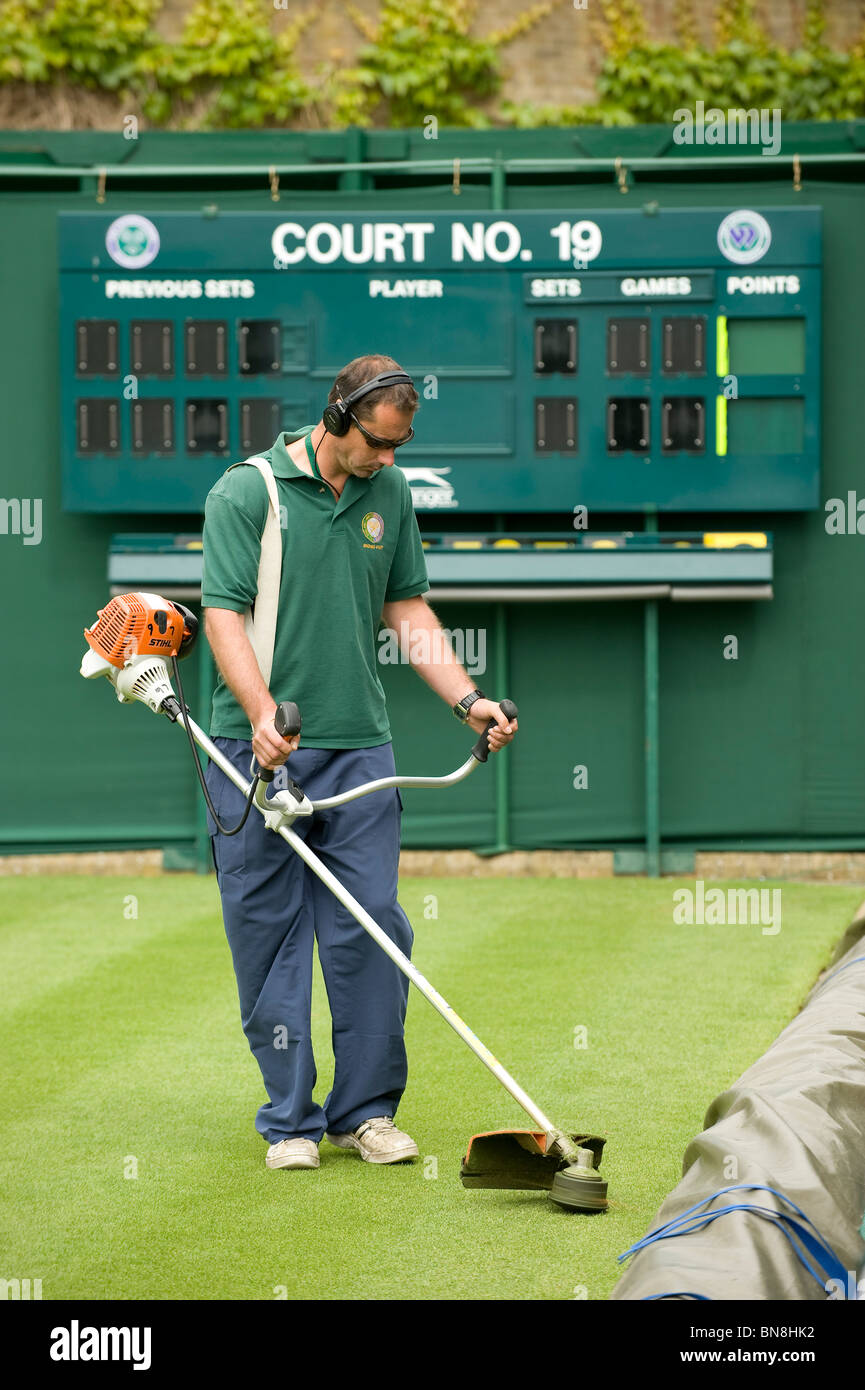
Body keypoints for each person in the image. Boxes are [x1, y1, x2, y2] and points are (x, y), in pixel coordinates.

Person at [200, 353, 517, 1172]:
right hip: (255, 749)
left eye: (399, 445)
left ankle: (365, 1114)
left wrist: (466, 699)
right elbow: (223, 617)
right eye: (378, 443)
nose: (388, 458)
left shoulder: (390, 493)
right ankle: (290, 1121)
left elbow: (406, 606)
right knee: (268, 938)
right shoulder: (248, 491)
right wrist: (265, 715)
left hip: (359, 749)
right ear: (338, 418)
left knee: (374, 926)